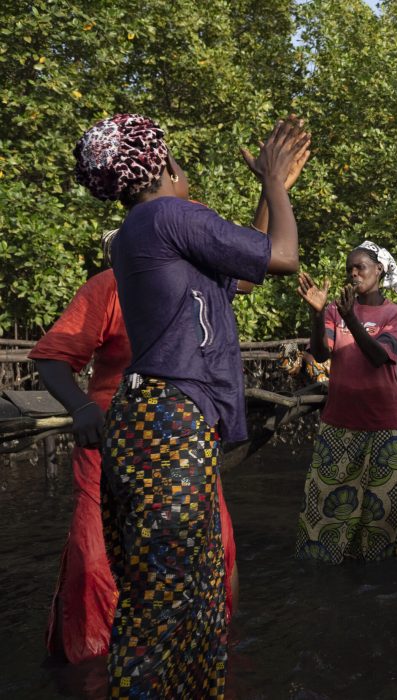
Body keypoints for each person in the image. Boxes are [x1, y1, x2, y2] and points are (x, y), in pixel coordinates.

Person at [74, 112, 308, 696]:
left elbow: (248, 272)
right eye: (179, 162)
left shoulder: (151, 231)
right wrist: (276, 183)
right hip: (167, 420)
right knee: (165, 597)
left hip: (157, 420)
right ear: (165, 167)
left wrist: (267, 190)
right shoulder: (167, 215)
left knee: (193, 589)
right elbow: (282, 256)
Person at [30, 231, 237, 664]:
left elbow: (251, 260)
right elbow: (54, 357)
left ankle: (205, 653)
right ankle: (94, 665)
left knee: (215, 547)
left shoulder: (190, 282)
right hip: (109, 443)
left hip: (185, 441)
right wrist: (82, 407)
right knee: (95, 560)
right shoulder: (108, 286)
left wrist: (272, 188)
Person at [294, 241, 397, 563]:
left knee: (382, 520)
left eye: (361, 267)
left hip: (382, 428)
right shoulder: (334, 310)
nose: (354, 273)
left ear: (380, 270)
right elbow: (320, 354)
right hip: (338, 424)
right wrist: (317, 316)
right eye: (349, 269)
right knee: (324, 515)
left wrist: (352, 320)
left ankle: (375, 582)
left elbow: (377, 356)